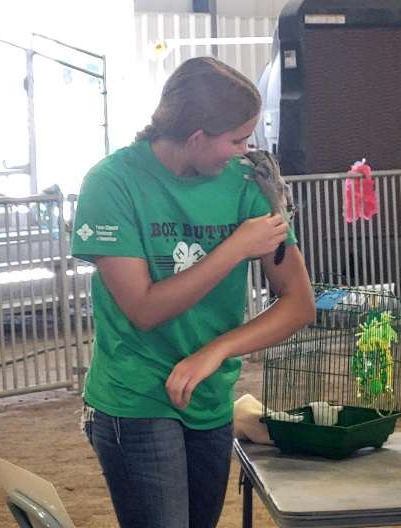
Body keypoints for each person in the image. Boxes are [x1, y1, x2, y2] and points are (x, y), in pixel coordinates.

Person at [71, 57, 315, 528]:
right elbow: (143, 309)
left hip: (210, 395)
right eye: (237, 140)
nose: (245, 151)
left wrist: (217, 350)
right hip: (136, 397)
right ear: (197, 136)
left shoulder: (246, 183)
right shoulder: (110, 183)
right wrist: (234, 248)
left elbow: (299, 303)